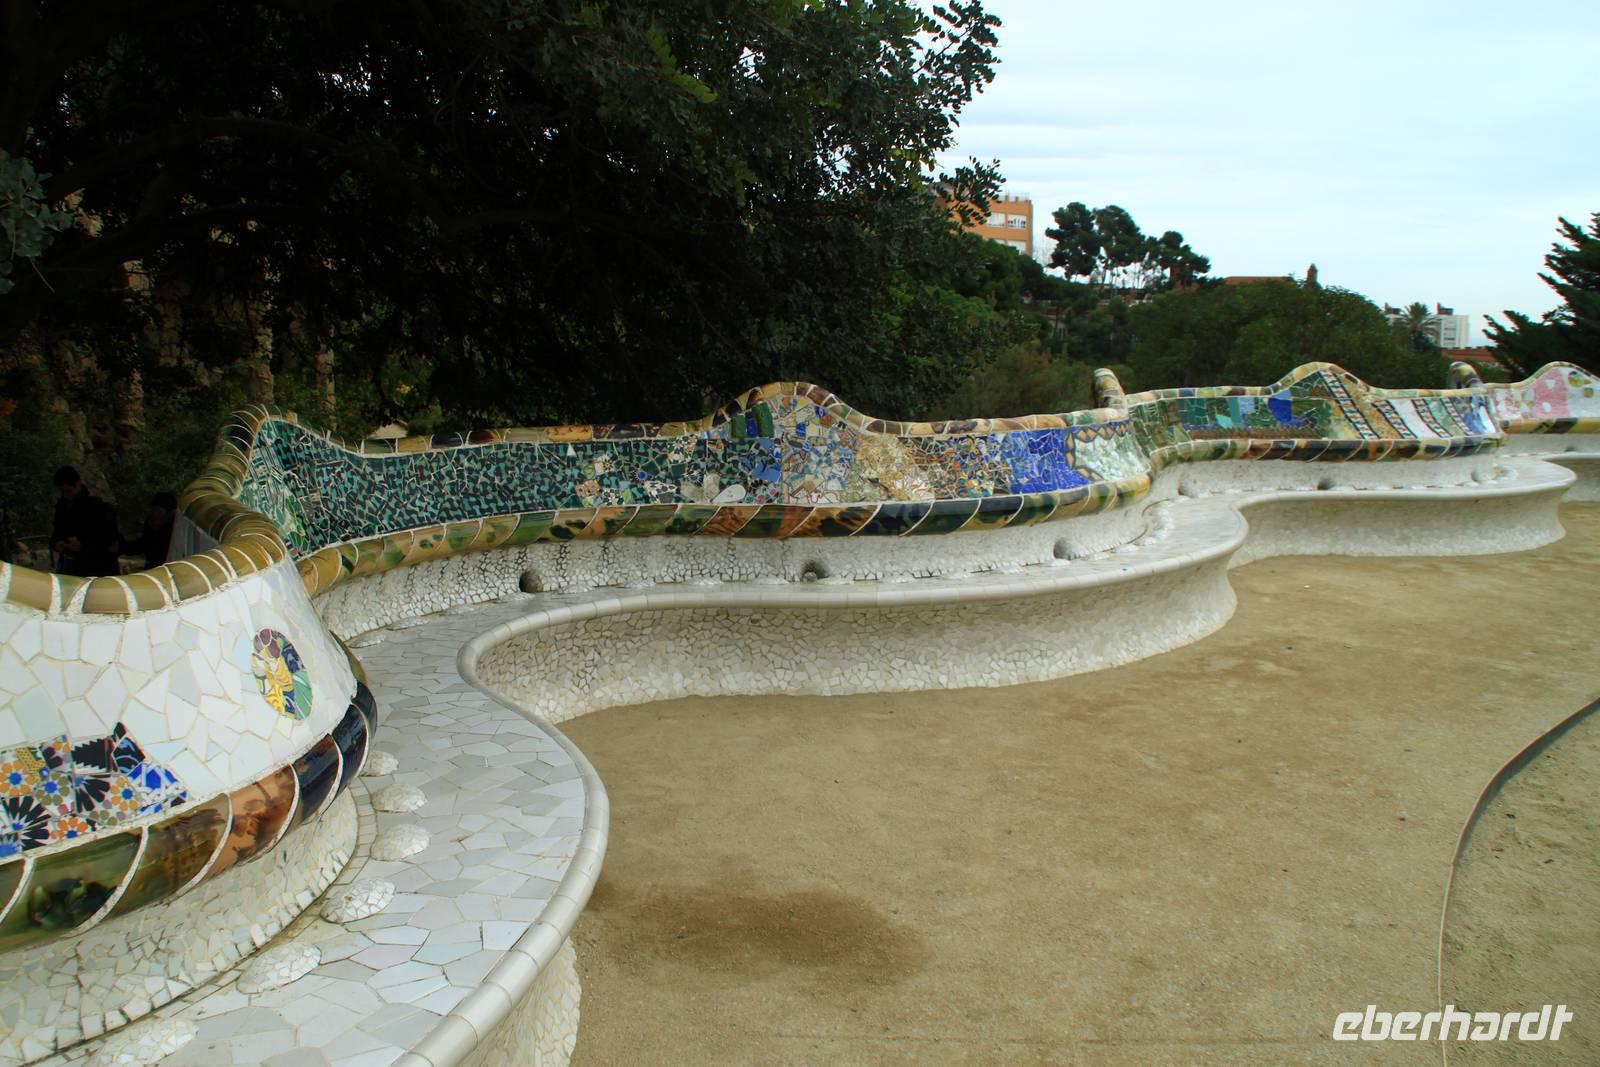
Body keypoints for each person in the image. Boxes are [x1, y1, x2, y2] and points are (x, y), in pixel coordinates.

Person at [51, 467, 121, 577]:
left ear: (78, 484)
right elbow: (57, 533)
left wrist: (84, 546)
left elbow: (110, 539)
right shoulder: (62, 508)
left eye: (69, 491)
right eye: (62, 491)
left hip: (98, 568)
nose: (66, 495)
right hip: (72, 567)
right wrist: (57, 544)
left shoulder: (97, 507)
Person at [139, 491, 178, 568]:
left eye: (159, 511)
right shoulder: (151, 524)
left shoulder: (175, 530)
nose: (155, 514)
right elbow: (143, 544)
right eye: (154, 510)